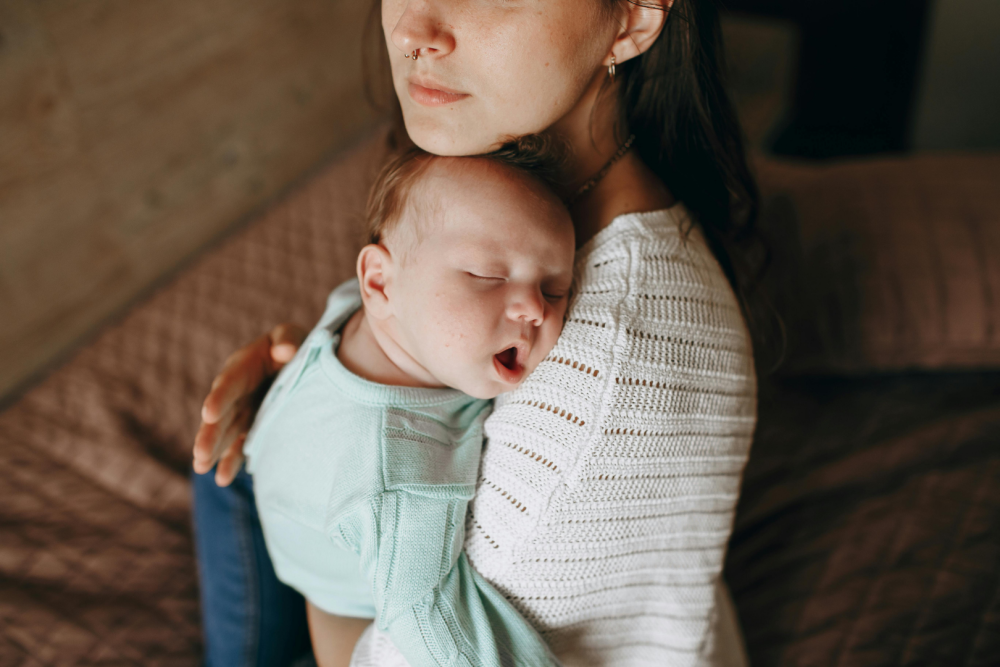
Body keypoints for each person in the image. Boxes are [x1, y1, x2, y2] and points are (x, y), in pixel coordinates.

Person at [192, 0, 762, 664]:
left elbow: (406, 639)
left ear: (633, 18)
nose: (411, 31)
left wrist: (326, 513)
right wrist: (324, 375)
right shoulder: (511, 172)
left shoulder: (599, 394)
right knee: (221, 472)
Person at [244, 148, 574, 667]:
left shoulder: (371, 315)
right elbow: (433, 625)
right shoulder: (400, 474)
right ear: (378, 282)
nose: (534, 309)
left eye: (555, 288)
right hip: (322, 579)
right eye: (488, 275)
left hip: (303, 532)